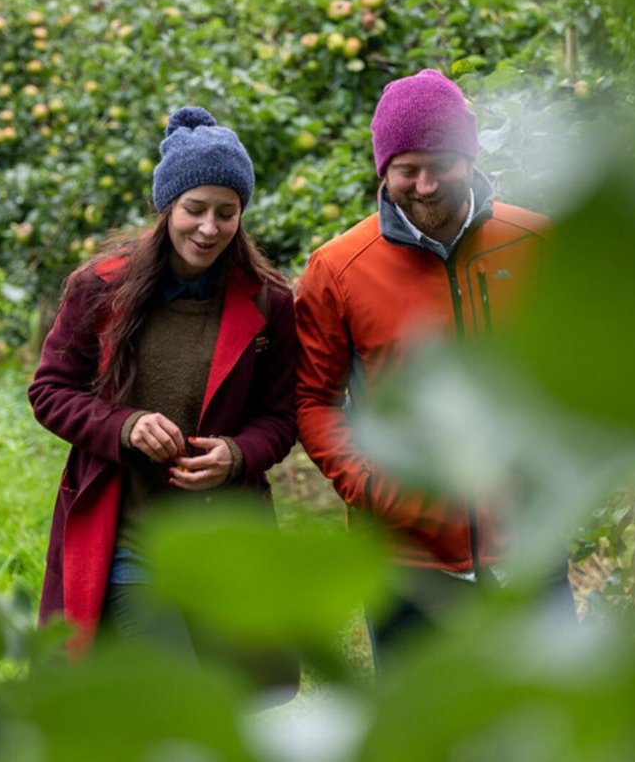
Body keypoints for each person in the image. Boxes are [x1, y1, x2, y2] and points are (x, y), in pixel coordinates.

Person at [293, 68, 566, 664]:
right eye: (405, 168)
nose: (422, 184)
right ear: (383, 170)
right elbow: (313, 398)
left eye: (439, 162)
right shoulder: (338, 269)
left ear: (468, 157)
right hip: (405, 560)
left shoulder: (536, 243)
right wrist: (369, 485)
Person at [28, 105, 299, 661]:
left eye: (227, 213)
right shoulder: (101, 288)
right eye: (194, 209)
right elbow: (51, 391)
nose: (208, 228)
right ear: (166, 206)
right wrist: (124, 427)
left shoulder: (268, 302)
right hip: (133, 537)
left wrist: (237, 453)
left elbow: (282, 416)